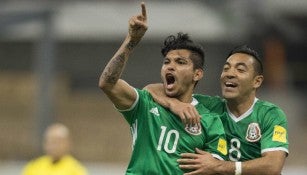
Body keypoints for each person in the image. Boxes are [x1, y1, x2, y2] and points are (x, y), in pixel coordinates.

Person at [98, 2, 227, 174]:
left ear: (197, 74)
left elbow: (216, 167)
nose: (170, 66)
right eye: (167, 62)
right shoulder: (145, 103)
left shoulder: (210, 120)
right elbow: (108, 83)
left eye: (180, 62)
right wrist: (132, 40)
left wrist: (213, 165)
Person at [146, 45, 289, 175]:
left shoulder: (270, 114)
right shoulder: (208, 106)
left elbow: (273, 166)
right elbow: (150, 89)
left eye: (240, 69)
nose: (230, 73)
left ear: (256, 81)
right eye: (226, 68)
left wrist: (219, 166)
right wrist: (174, 104)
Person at [21, 123, 88, 175]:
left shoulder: (76, 170)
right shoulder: (34, 167)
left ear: (67, 143)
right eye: (50, 142)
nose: (53, 146)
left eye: (58, 142)